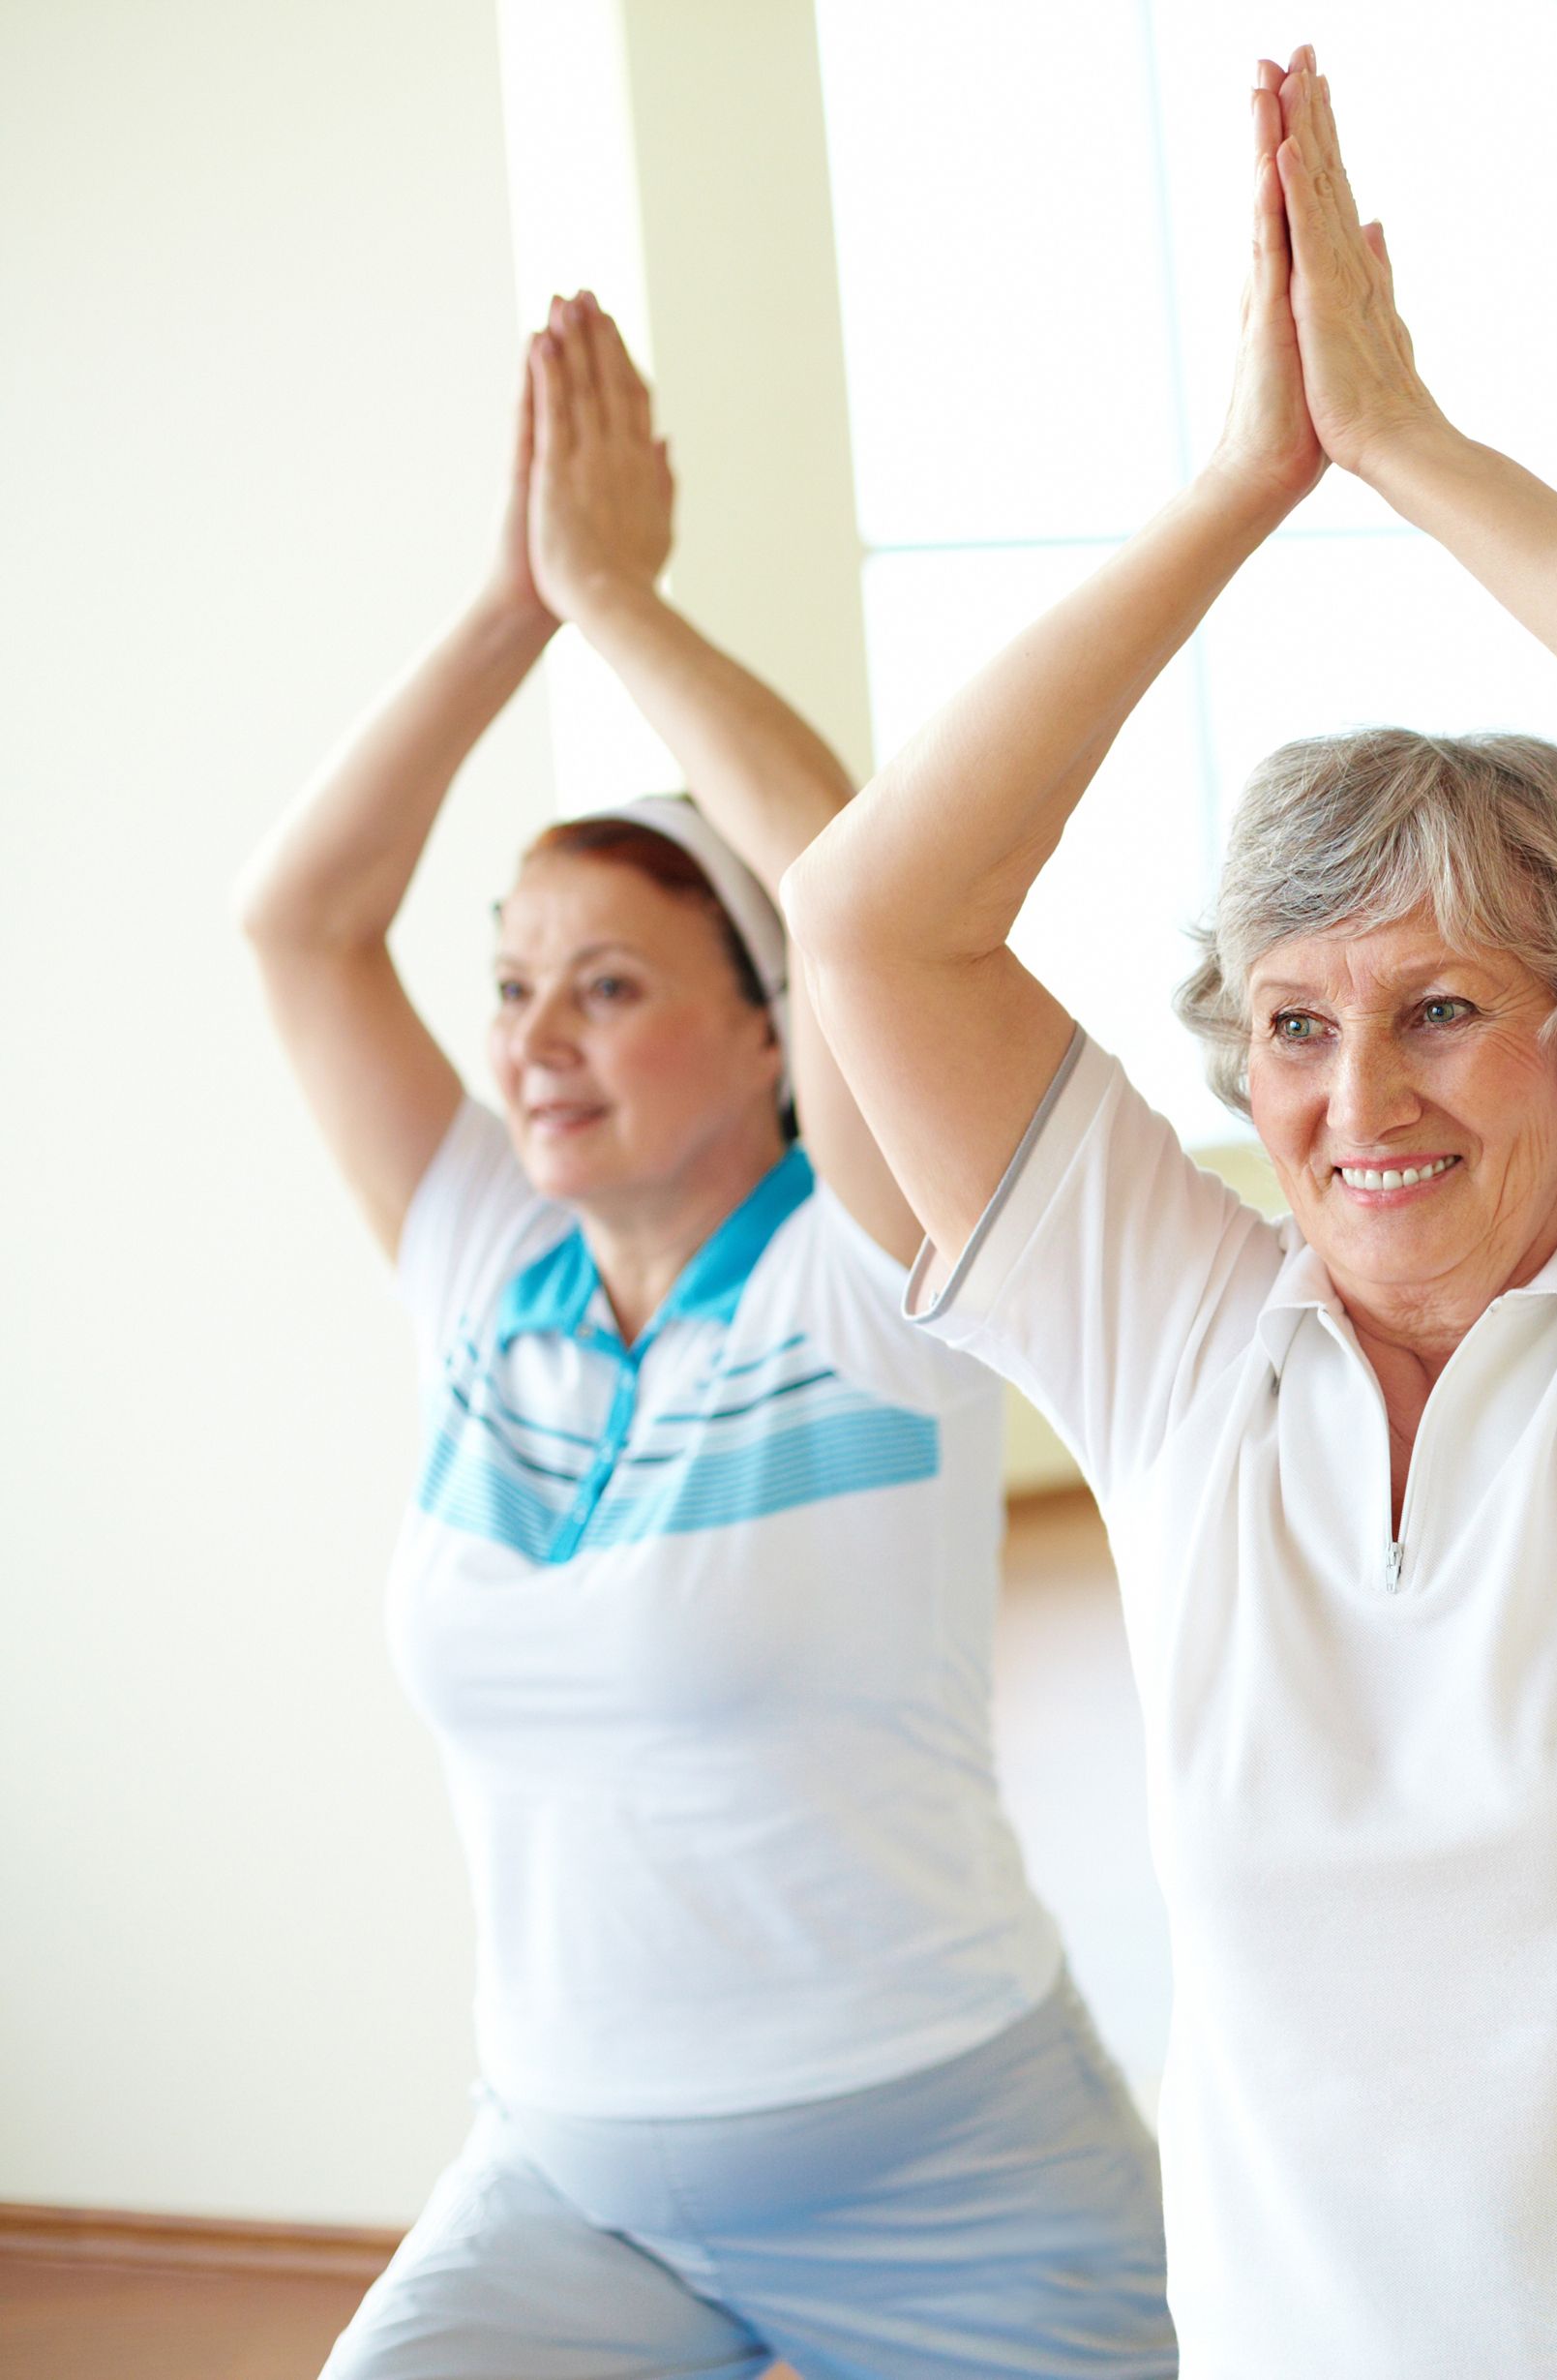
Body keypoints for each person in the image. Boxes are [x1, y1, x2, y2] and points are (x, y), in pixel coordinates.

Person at [781, 53, 1557, 2380]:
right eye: (1288, 1024)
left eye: (1444, 1006)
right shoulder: (1178, 1338)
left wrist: (1411, 451)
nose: (1353, 1097)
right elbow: (866, 921)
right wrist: (1232, 488)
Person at [239, 295, 1175, 2380]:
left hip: (958, 2181)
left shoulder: (871, 1256)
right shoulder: (484, 1258)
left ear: (773, 1022)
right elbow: (298, 919)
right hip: (568, 2179)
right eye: (510, 985)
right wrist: (511, 599)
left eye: (607, 986)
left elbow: (853, 872)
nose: (529, 1039)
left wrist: (619, 601)